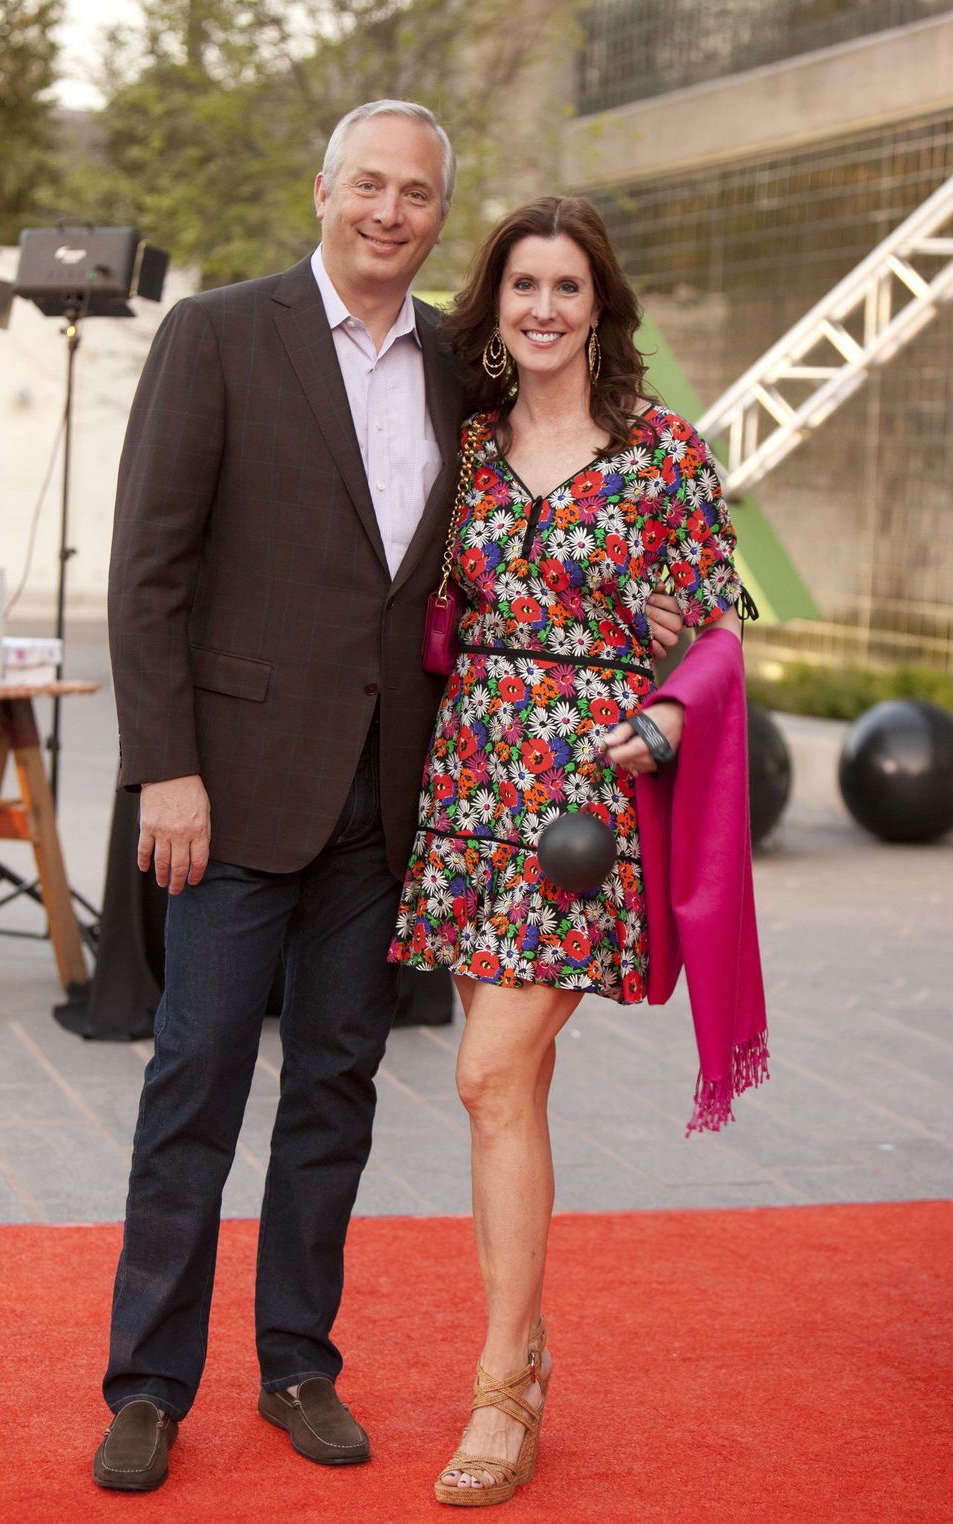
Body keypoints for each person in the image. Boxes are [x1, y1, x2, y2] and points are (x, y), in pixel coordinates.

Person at [94, 101, 687, 1494]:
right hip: (233, 794)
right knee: (193, 1085)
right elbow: (148, 570)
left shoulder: (458, 370)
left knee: (336, 1091)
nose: (389, 212)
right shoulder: (216, 335)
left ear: (438, 218)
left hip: (396, 809)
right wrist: (165, 767)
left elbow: (538, 539)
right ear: (323, 189)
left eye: (416, 194)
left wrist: (657, 648)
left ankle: (298, 1362)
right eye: (368, 184)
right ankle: (148, 1385)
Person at [389, 196, 757, 1506]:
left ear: (601, 305)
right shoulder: (468, 447)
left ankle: (501, 1385)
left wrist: (666, 719)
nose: (543, 307)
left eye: (567, 286)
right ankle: (527, 1350)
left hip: (587, 804)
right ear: (494, 306)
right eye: (523, 285)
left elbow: (719, 627)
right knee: (511, 1092)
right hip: (471, 781)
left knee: (485, 1072)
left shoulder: (662, 451)